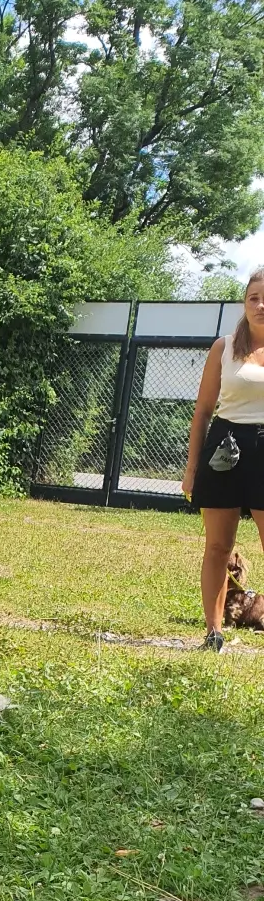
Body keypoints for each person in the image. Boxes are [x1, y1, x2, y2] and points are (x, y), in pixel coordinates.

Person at [183, 270, 264, 651]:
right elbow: (202, 412)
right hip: (225, 447)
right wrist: (191, 469)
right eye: (254, 298)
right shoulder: (225, 347)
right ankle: (214, 632)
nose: (261, 305)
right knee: (217, 547)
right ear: (244, 303)